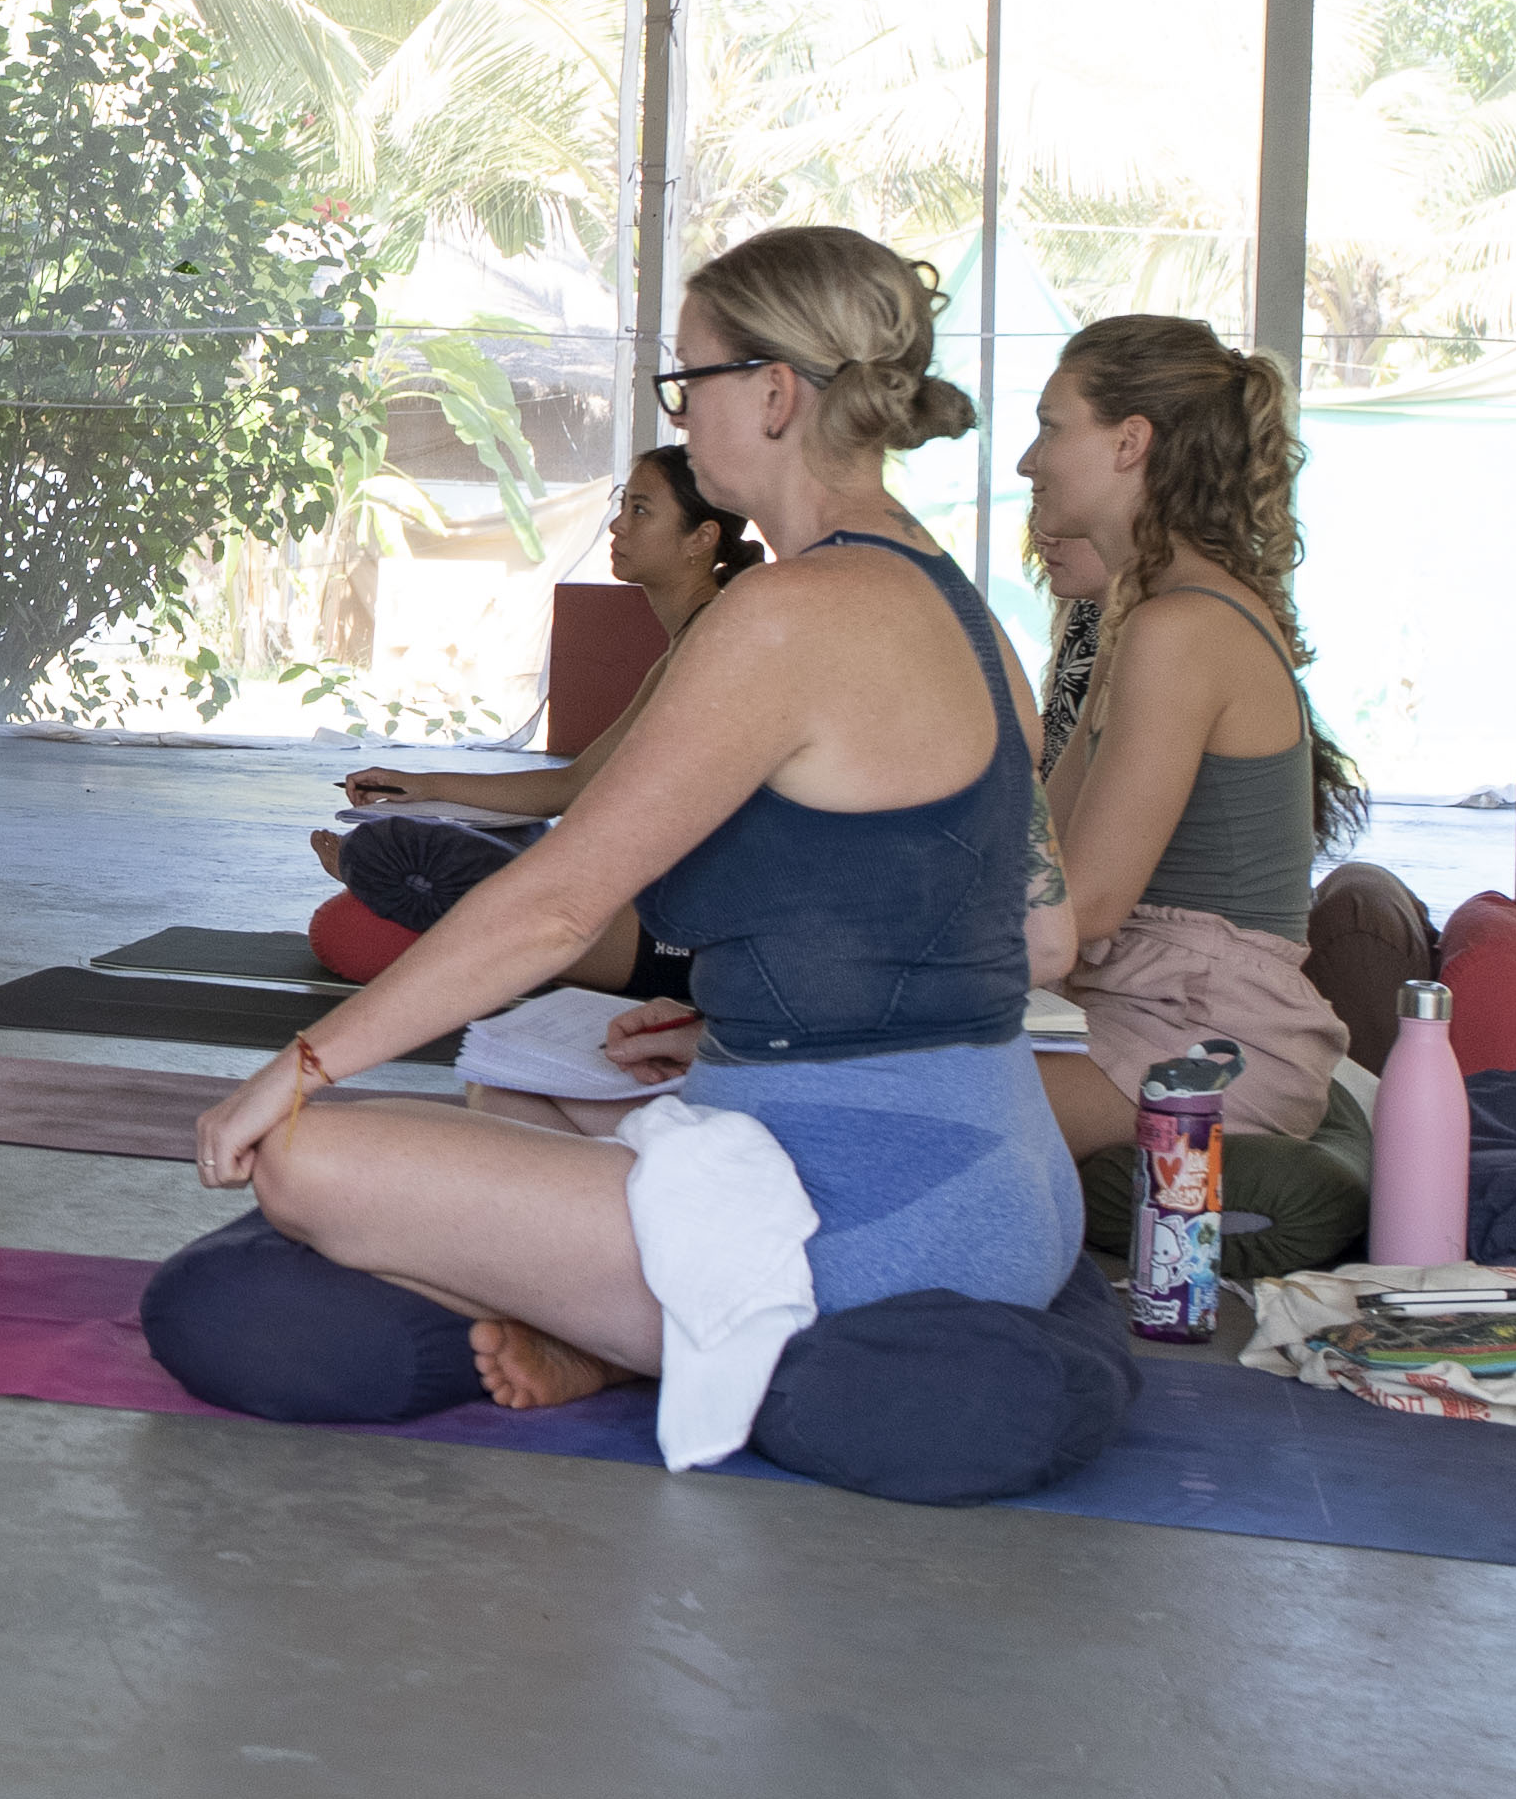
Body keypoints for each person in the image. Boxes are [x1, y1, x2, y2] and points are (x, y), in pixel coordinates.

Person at [148, 226, 1081, 1416]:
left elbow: (553, 905)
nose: (681, 417)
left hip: (859, 1219)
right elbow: (1038, 943)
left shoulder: (787, 613)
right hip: (1006, 1188)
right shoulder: (970, 615)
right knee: (527, 1087)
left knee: (301, 1160)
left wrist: (296, 1066)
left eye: (688, 383)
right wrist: (766, 1005)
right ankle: (622, 1329)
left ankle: (657, 1339)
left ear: (777, 392)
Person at [1011, 313, 1359, 1160]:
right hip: (1142, 1013)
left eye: (1051, 428)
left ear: (1131, 442)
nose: (1030, 459)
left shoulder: (1181, 626)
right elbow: (1041, 852)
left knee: (862, 1099)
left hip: (1208, 1045)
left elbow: (1078, 907)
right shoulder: (1137, 615)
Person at [309, 444, 760, 971]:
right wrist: (423, 785)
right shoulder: (693, 641)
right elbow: (570, 787)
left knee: (383, 862)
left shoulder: (720, 641)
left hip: (697, 934)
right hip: (656, 900)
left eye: (640, 510)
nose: (617, 526)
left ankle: (397, 881)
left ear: (701, 539)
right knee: (496, 836)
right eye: (622, 504)